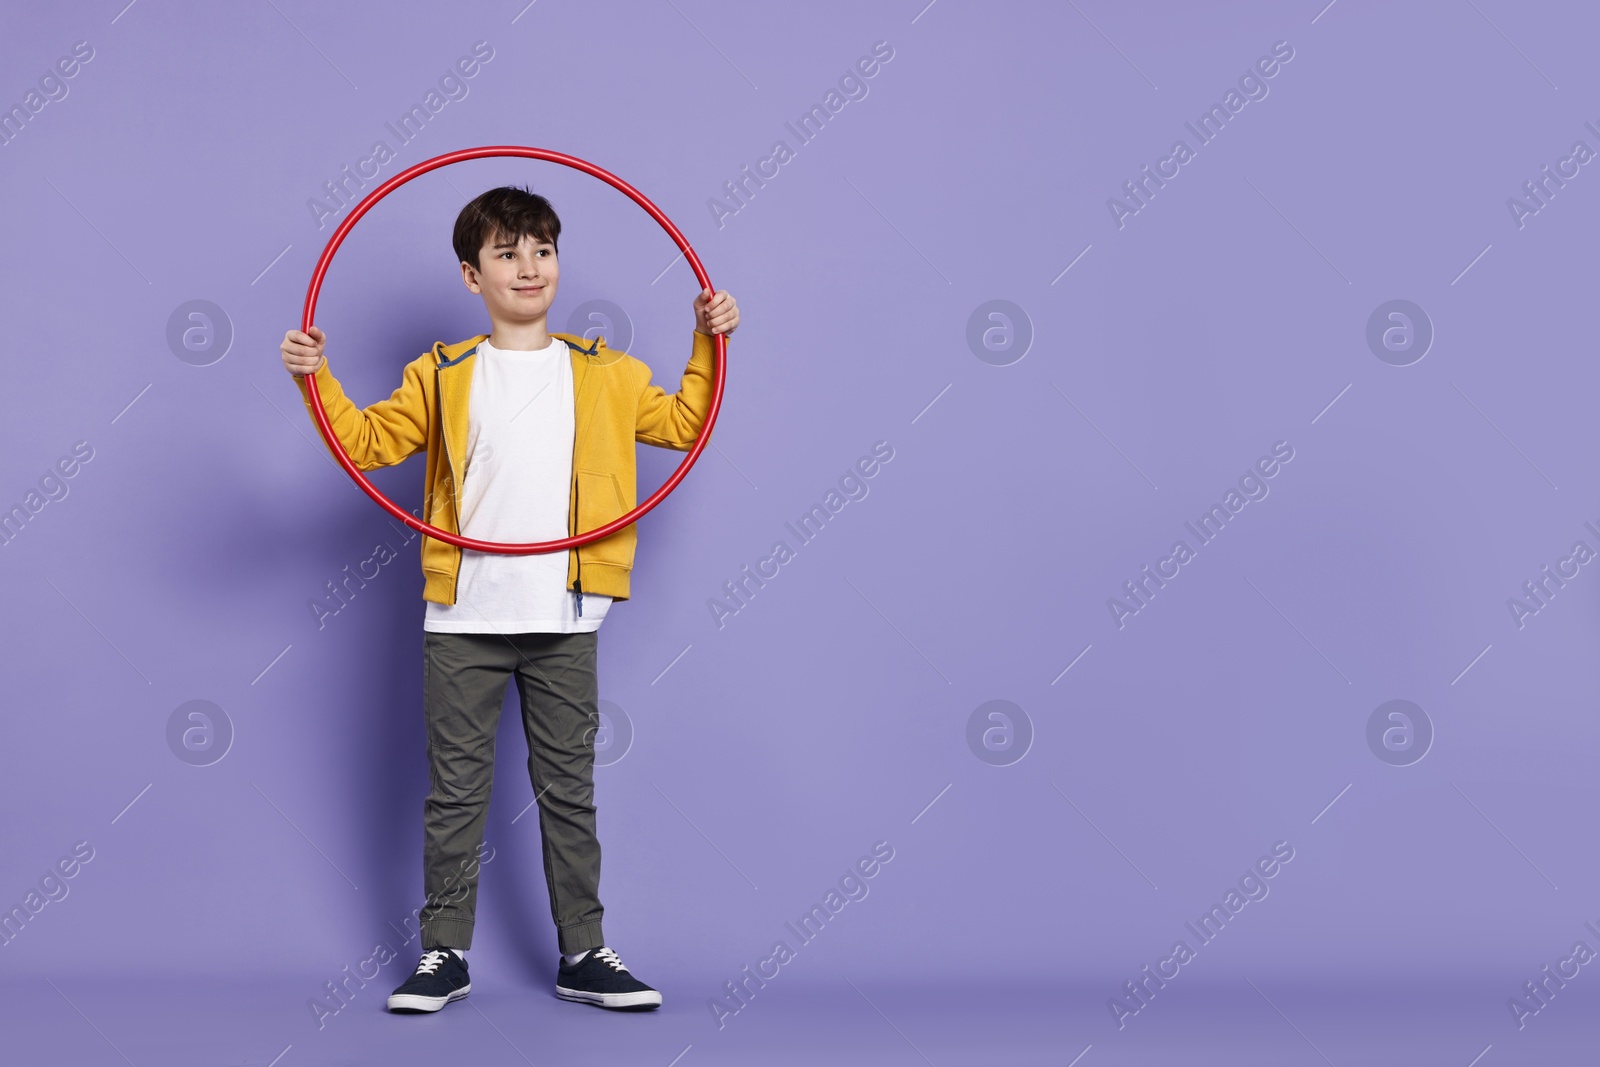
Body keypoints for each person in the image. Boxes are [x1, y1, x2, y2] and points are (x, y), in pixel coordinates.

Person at [278, 185, 738, 1013]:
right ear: (470, 275)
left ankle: (583, 951)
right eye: (507, 252)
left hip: (564, 613)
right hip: (464, 619)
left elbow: (682, 423)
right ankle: (443, 953)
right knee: (456, 791)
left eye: (543, 250)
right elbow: (369, 441)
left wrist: (708, 338)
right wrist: (319, 381)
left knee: (570, 789)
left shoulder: (606, 371)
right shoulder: (444, 372)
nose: (529, 267)